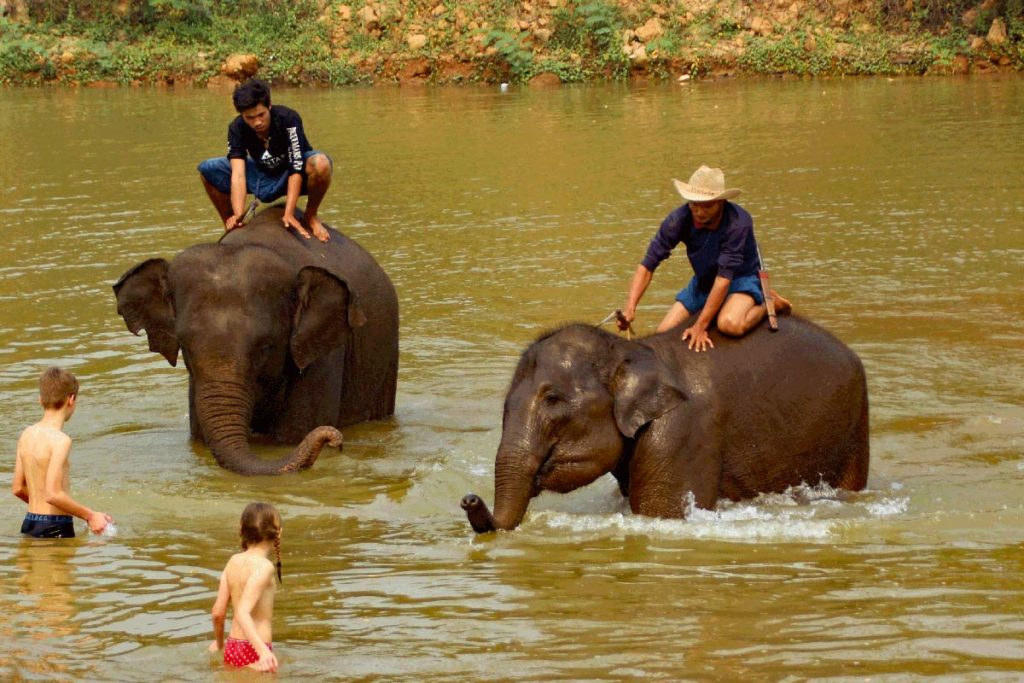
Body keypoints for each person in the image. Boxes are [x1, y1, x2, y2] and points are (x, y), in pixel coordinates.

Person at [618, 165, 790, 352]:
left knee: (729, 324)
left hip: (740, 278)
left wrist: (701, 325)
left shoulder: (738, 223)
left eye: (707, 205)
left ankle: (769, 305)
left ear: (721, 202)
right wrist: (630, 308)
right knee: (663, 335)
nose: (699, 212)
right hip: (704, 282)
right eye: (694, 204)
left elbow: (724, 280)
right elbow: (648, 265)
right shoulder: (678, 220)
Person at [198, 78, 334, 242]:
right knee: (208, 169)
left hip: (290, 171)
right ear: (242, 115)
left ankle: (311, 214)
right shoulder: (236, 128)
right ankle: (231, 222)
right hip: (261, 173)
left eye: (261, 115)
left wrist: (289, 213)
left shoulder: (288, 118)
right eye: (250, 118)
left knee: (321, 163)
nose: (257, 122)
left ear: (269, 106)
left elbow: (296, 166)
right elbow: (238, 174)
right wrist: (238, 214)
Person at [12, 367, 112, 538]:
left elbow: (18, 488)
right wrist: (90, 515)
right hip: (55, 526)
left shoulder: (26, 434)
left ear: (40, 400)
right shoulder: (60, 440)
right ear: (71, 400)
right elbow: (53, 494)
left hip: (29, 523)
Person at [209, 502, 283, 673]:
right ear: (278, 532)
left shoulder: (233, 561)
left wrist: (220, 645)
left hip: (232, 647)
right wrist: (263, 651)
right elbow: (242, 612)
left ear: (241, 529)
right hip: (255, 649)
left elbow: (218, 613)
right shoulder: (264, 567)